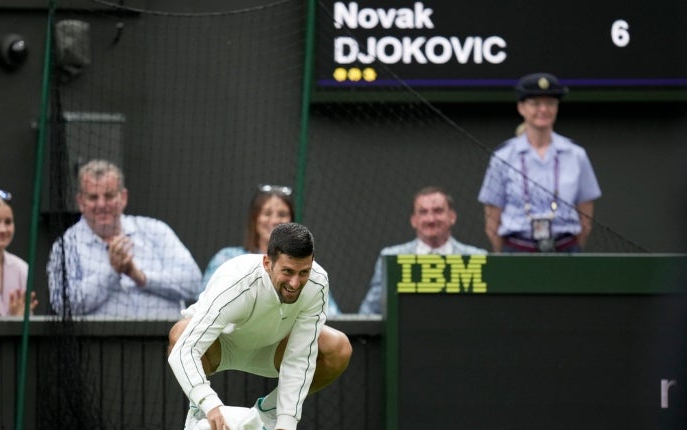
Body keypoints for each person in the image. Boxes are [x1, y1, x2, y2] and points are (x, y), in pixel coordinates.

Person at [168, 222, 352, 430]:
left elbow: (299, 358)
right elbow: (184, 350)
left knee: (338, 347)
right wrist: (209, 404)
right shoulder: (235, 281)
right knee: (181, 333)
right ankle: (196, 417)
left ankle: (268, 414)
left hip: (272, 350)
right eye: (287, 271)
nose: (295, 283)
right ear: (267, 263)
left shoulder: (317, 283)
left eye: (303, 272)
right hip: (220, 347)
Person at [47, 159, 202, 319]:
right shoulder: (66, 245)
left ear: (123, 197)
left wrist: (140, 277)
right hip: (98, 342)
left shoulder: (155, 230)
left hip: (167, 338)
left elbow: (193, 282)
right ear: (80, 202)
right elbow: (62, 304)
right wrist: (112, 272)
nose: (101, 204)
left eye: (109, 196)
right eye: (93, 197)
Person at [478, 72, 602, 253]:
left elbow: (586, 218)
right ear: (521, 108)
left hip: (565, 250)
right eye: (535, 103)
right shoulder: (503, 157)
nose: (543, 109)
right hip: (517, 251)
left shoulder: (576, 155)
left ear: (557, 107)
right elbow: (492, 221)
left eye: (550, 103)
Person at [201, 184, 342, 317]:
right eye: (267, 213)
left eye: (282, 214)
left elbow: (330, 312)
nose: (274, 220)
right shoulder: (227, 258)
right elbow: (206, 304)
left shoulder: (304, 267)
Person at [358, 186, 486, 316]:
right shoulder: (391, 258)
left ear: (452, 217)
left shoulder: (477, 258)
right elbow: (369, 311)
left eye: (438, 211)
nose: (431, 219)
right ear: (414, 220)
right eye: (423, 212)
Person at [0, 190, 38, 316]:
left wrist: (17, 320)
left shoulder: (22, 269)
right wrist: (12, 320)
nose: (3, 229)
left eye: (8, 222)